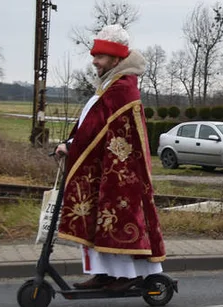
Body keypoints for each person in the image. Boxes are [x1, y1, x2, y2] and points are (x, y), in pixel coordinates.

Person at [55, 25, 166, 290]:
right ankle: (104, 273)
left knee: (118, 218)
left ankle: (126, 276)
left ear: (115, 59)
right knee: (100, 218)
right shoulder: (110, 83)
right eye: (94, 56)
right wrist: (72, 142)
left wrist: (71, 146)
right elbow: (90, 122)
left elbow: (97, 124)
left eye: (100, 57)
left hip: (121, 170)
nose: (94, 61)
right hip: (107, 166)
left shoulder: (122, 87)